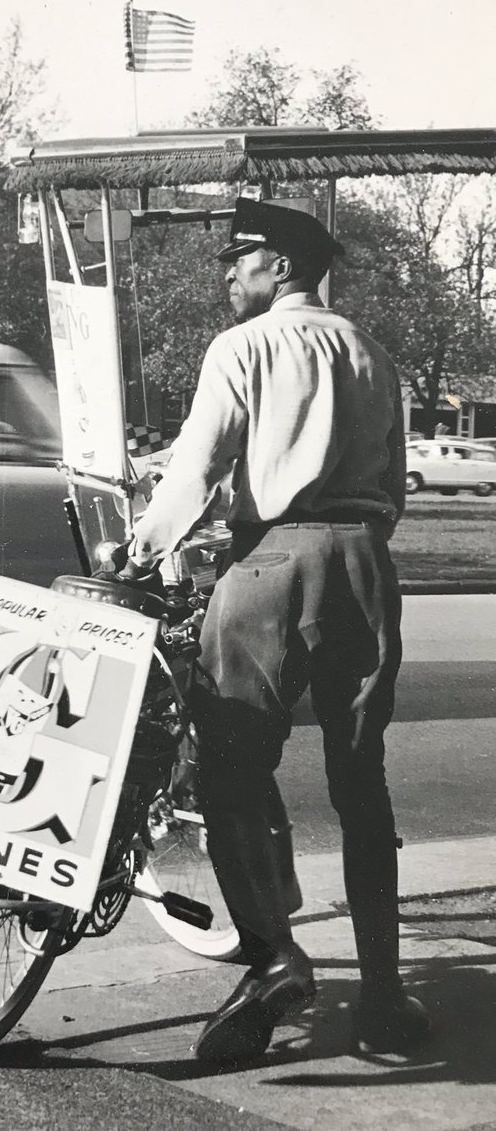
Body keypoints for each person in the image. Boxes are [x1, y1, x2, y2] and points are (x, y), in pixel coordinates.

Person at [107, 198, 433, 1066]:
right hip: (364, 564)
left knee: (229, 771)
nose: (228, 275)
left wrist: (139, 550)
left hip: (270, 567)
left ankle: (276, 960)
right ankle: (386, 996)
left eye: (239, 259)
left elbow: (198, 467)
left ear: (281, 265)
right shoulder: (375, 353)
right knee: (362, 784)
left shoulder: (243, 348)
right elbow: (396, 487)